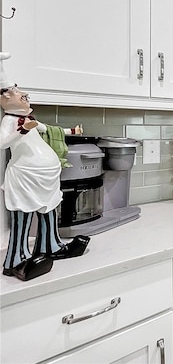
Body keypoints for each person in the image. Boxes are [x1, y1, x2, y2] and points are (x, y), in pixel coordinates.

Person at [1, 54, 89, 281]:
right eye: (21, 96)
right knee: (24, 213)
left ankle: (51, 245)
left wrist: (72, 132)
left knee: (49, 208)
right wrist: (21, 130)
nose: (25, 99)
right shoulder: (10, 121)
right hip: (25, 177)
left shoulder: (29, 118)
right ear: (5, 98)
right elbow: (2, 143)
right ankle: (16, 260)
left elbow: (49, 129)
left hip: (46, 177)